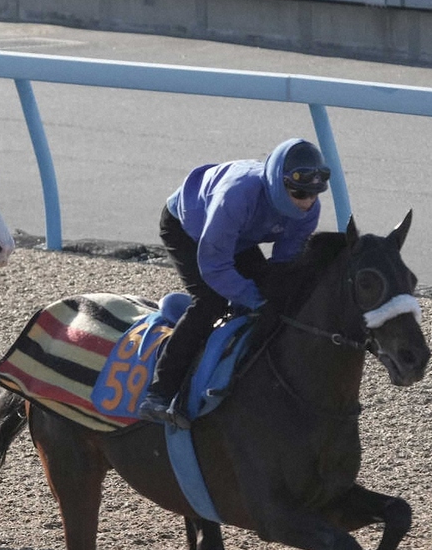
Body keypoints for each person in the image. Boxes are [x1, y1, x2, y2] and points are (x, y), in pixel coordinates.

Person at [137, 138, 330, 426]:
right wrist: (251, 298)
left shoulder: (307, 211)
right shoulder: (237, 195)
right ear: (279, 183)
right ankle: (160, 393)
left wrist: (273, 294)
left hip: (239, 236)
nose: (307, 202)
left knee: (277, 298)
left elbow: (284, 267)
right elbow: (214, 267)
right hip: (189, 229)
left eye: (314, 193)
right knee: (211, 302)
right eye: (300, 192)